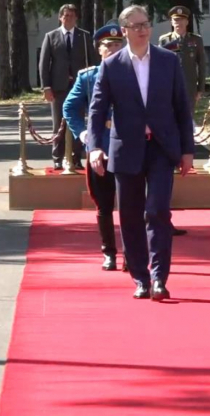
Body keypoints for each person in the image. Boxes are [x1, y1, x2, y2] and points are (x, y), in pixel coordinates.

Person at [88, 5, 194, 301]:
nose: (143, 29)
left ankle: (160, 277)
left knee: (157, 211)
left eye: (146, 24)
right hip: (126, 149)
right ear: (124, 31)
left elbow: (182, 108)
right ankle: (141, 278)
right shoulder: (112, 66)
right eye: (135, 26)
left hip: (161, 147)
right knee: (131, 216)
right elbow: (97, 110)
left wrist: (187, 150)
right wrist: (95, 147)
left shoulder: (168, 61)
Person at [63, 24, 126, 272]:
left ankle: (131, 252)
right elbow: (69, 107)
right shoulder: (88, 77)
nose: (112, 50)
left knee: (132, 204)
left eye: (116, 46)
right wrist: (82, 132)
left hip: (128, 148)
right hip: (99, 147)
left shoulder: (134, 73)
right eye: (107, 46)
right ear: (99, 50)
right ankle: (109, 252)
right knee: (103, 204)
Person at [38, 4, 100, 170]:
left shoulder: (85, 36)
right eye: (66, 16)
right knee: (58, 123)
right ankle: (58, 158)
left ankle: (76, 157)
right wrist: (46, 87)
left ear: (76, 18)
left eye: (72, 16)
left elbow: (93, 62)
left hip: (80, 88)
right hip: (58, 87)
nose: (69, 19)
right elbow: (44, 64)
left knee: (78, 123)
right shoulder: (51, 36)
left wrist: (94, 86)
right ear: (60, 18)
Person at [159, 5, 207, 110]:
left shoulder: (196, 40)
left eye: (182, 20)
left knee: (187, 119)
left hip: (189, 87)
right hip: (170, 87)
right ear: (171, 22)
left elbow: (202, 65)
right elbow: (159, 66)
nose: (178, 23)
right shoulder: (165, 40)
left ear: (187, 22)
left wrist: (200, 89)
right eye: (176, 20)